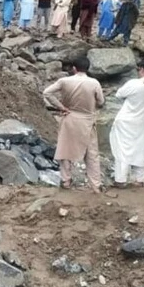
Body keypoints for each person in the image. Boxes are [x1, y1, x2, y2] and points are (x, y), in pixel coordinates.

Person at [43, 57, 105, 193]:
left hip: (69, 118)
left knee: (65, 150)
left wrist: (61, 107)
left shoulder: (64, 81)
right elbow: (101, 102)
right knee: (91, 153)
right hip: (87, 120)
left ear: (74, 68)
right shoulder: (94, 83)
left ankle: (66, 181)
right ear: (87, 68)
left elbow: (46, 93)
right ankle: (96, 185)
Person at [110, 59, 144, 188]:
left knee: (123, 151)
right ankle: (139, 179)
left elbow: (119, 94)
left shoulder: (134, 83)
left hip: (127, 122)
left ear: (143, 70)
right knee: (143, 150)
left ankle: (120, 179)